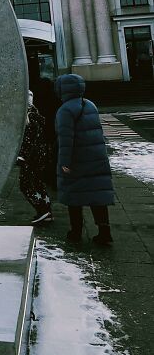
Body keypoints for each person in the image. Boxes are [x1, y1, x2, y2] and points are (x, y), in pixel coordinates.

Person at [55, 74, 114, 245]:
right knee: (98, 196)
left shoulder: (65, 110)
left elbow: (66, 140)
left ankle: (76, 231)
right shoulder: (90, 104)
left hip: (78, 160)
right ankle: (104, 231)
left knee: (74, 196)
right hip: (96, 157)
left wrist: (65, 163)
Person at [17, 91, 53, 225]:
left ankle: (42, 210)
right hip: (39, 157)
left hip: (32, 159)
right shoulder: (35, 114)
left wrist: (22, 156)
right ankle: (46, 212)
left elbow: (29, 140)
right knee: (38, 184)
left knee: (25, 185)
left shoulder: (29, 118)